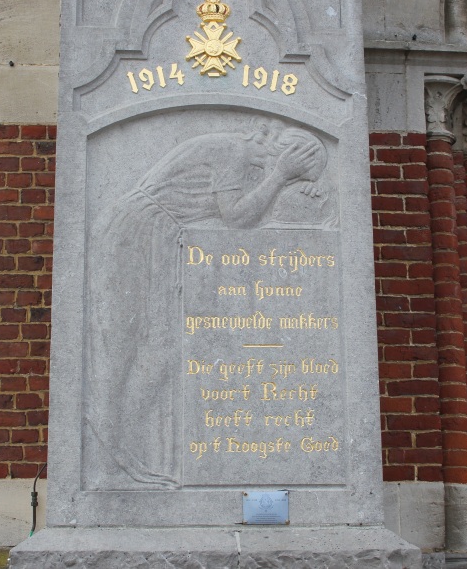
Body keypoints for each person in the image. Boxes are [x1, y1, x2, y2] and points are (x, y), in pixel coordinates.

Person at [82, 119, 330, 490]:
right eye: (295, 171)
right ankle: (109, 461)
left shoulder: (249, 162)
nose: (287, 179)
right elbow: (239, 217)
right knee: (120, 347)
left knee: (161, 351)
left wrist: (299, 191)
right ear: (284, 152)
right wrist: (279, 178)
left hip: (161, 238)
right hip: (133, 234)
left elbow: (263, 212)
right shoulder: (232, 149)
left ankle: (125, 453)